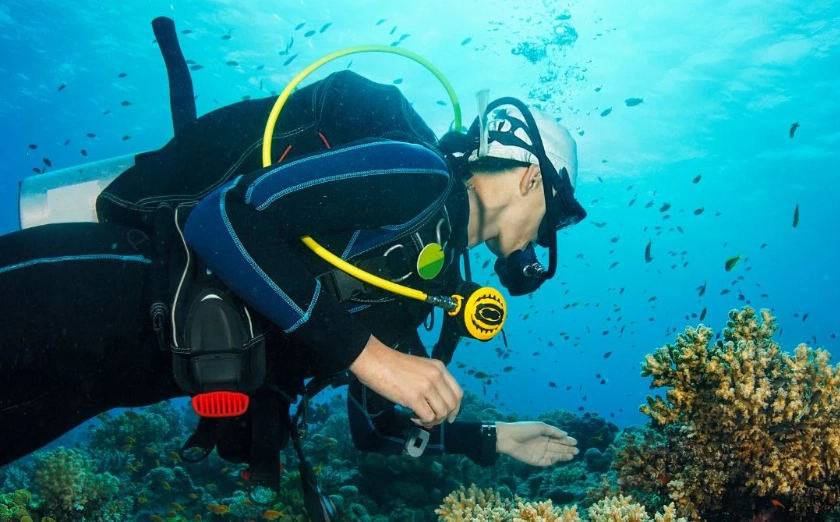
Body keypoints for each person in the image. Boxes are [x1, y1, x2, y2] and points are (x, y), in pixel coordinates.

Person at [0, 66, 586, 515]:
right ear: (532, 176)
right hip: (96, 288)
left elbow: (375, 427)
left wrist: (492, 438)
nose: (546, 235)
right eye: (556, 216)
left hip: (116, 379)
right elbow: (223, 217)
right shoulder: (420, 175)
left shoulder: (426, 282)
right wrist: (373, 358)